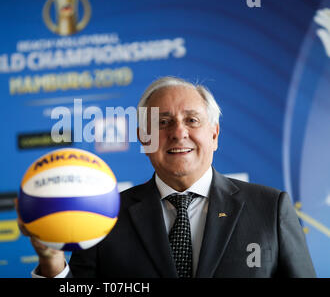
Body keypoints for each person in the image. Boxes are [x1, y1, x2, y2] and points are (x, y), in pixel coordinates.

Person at [17, 76, 316, 278]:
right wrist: (52, 262)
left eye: (192, 120)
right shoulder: (103, 215)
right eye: (162, 122)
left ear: (214, 134)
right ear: (144, 138)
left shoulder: (269, 207)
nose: (178, 132)